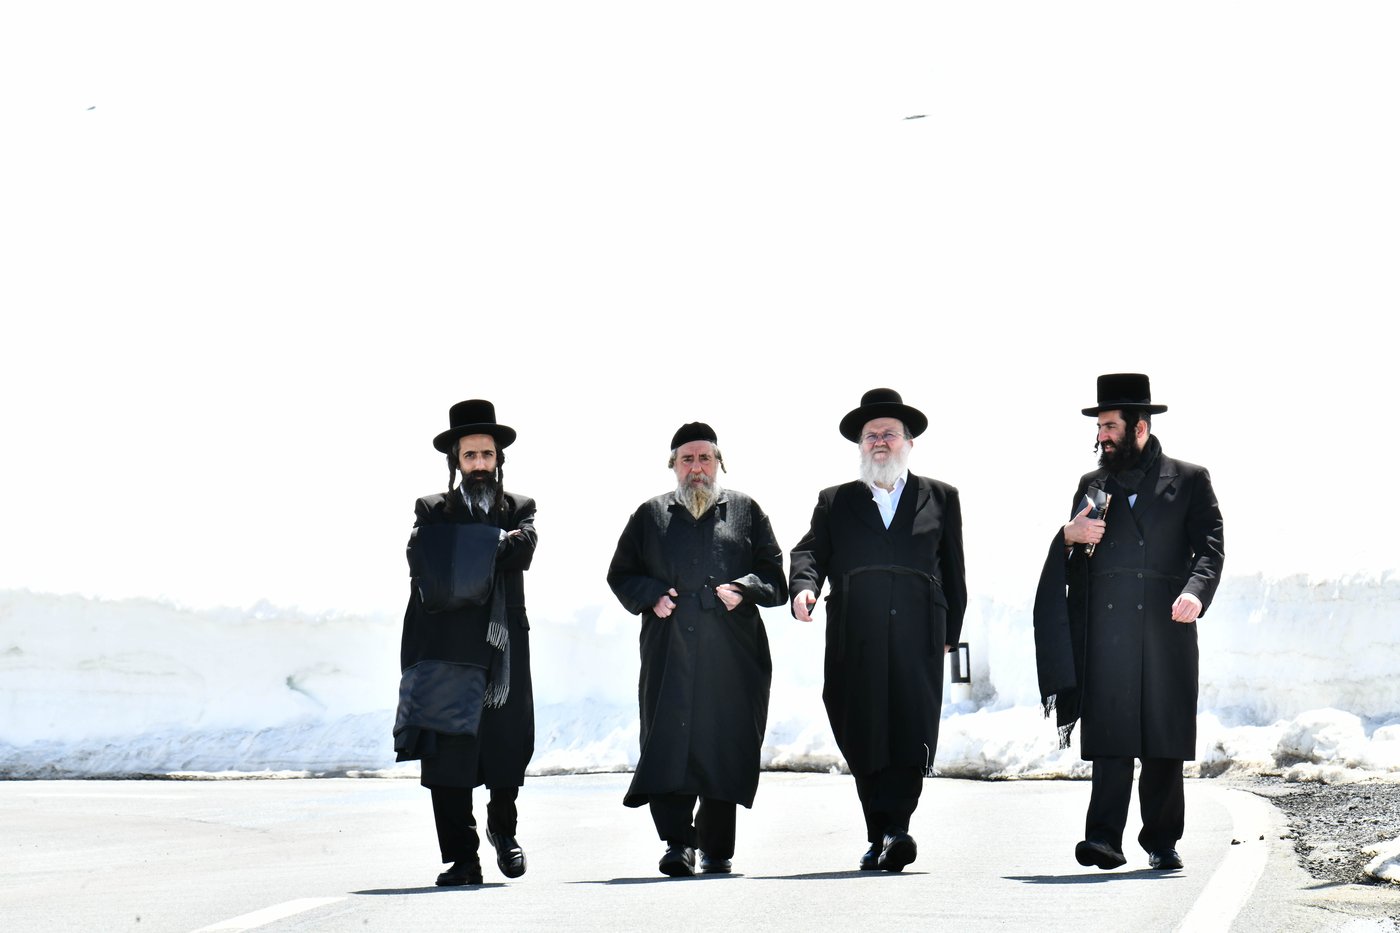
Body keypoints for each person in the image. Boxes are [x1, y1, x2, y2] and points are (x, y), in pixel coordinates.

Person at [1033, 373, 1224, 873]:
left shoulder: (1190, 478)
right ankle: (1103, 839)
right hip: (1107, 631)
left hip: (1166, 624)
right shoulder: (1092, 485)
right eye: (1099, 427)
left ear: (1140, 427)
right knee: (1111, 735)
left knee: (1162, 737)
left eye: (1110, 426)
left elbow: (1210, 548)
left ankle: (1162, 841)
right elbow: (1075, 560)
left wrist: (1195, 592)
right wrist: (1069, 536)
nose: (1102, 436)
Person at [788, 388, 967, 873]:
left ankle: (895, 830)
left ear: (909, 442)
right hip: (855, 633)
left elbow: (954, 569)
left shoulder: (941, 496)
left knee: (910, 727)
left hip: (919, 632)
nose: (880, 441)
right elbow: (810, 553)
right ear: (860, 446)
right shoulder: (835, 501)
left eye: (889, 433)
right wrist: (803, 588)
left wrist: (950, 629)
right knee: (861, 726)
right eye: (871, 435)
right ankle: (883, 833)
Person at [607, 422, 787, 877]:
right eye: (687, 459)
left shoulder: (746, 511)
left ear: (719, 462)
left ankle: (716, 848)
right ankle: (677, 843)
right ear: (673, 466)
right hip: (669, 648)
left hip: (733, 651)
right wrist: (651, 594)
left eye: (705, 457)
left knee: (725, 740)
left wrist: (744, 588)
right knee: (668, 739)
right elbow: (621, 573)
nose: (697, 467)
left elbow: (774, 576)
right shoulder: (650, 515)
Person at [393, 399, 538, 886]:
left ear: (499, 459)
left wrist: (468, 552)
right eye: (470, 455)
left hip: (502, 648)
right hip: (445, 646)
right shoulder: (432, 510)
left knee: (505, 744)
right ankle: (462, 859)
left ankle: (504, 830)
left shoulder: (519, 507)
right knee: (448, 754)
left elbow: (524, 549)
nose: (479, 464)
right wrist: (494, 544)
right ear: (455, 460)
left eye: (487, 455)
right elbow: (424, 560)